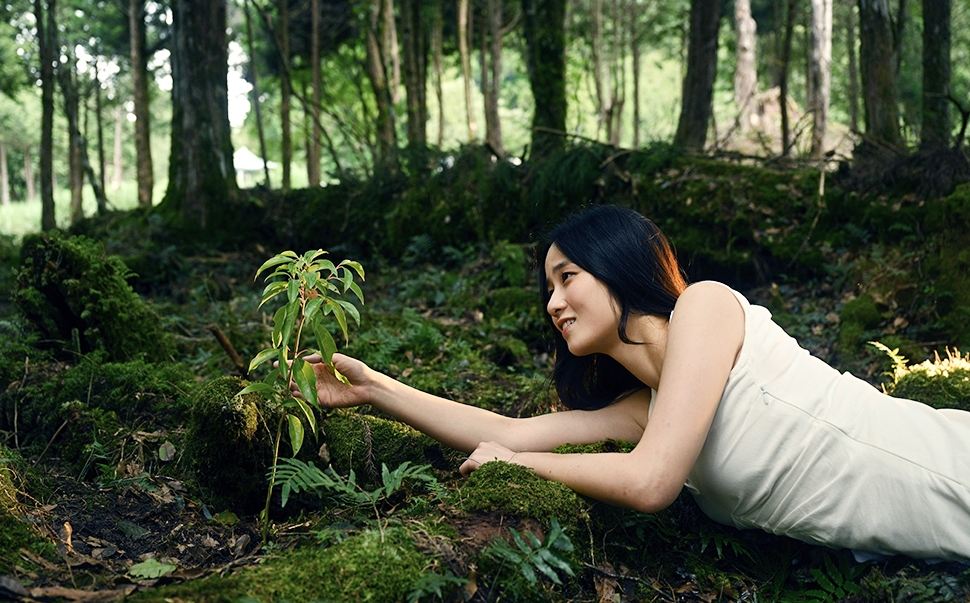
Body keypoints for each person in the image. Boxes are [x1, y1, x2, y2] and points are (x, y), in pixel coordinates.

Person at [295, 205, 970, 561]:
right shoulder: (648, 409)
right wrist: (375, 388)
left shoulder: (706, 307)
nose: (552, 302)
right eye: (546, 287)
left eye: (568, 277)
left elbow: (649, 483)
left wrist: (523, 468)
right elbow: (507, 432)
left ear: (617, 266)